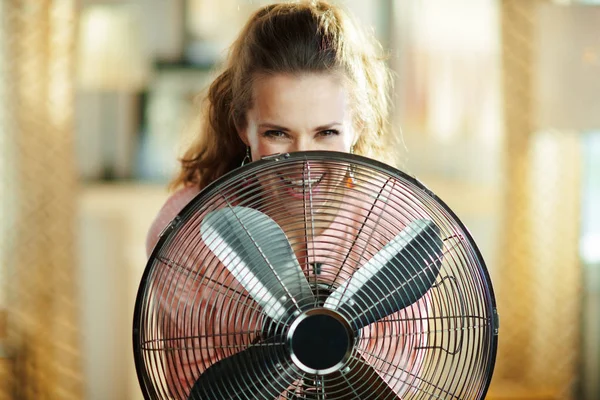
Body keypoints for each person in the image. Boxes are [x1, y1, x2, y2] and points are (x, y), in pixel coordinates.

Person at [145, 1, 427, 398]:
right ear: (244, 126)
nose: (304, 161)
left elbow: (401, 374)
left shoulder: (394, 228)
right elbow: (190, 381)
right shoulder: (189, 230)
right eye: (278, 133)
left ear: (358, 125)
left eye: (326, 132)